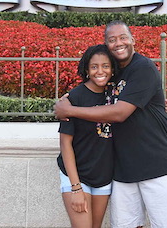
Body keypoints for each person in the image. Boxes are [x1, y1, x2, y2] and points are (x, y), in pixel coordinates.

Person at [55, 20, 167, 228]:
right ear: (106, 45)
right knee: (126, 225)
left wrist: (69, 110)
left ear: (133, 40)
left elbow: (120, 113)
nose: (118, 43)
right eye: (112, 40)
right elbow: (91, 91)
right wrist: (70, 98)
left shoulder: (143, 68)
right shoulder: (111, 73)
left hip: (155, 162)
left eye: (123, 37)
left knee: (166, 224)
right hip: (122, 169)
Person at [57, 44, 118, 228]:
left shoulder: (116, 96)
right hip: (77, 177)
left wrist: (160, 104)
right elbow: (65, 144)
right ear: (86, 69)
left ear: (113, 68)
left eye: (105, 66)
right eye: (94, 66)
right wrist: (76, 188)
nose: (100, 71)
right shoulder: (74, 98)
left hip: (103, 176)